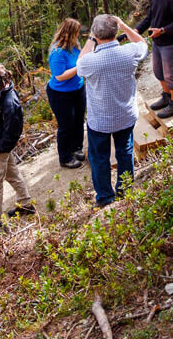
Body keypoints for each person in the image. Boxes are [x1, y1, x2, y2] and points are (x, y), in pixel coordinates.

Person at [77, 14, 148, 206]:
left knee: (99, 158)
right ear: (116, 31)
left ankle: (105, 198)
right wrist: (124, 25)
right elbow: (143, 43)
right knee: (124, 152)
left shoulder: (90, 61)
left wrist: (91, 39)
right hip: (125, 114)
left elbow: (79, 64)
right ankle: (125, 192)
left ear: (95, 34)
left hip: (99, 120)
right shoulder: (131, 52)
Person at [0, 63, 36, 218]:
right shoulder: (0, 93)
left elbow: (13, 129)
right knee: (13, 175)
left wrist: (0, 148)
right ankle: (26, 205)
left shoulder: (9, 100)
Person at [46, 18, 86, 169]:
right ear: (69, 33)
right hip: (60, 94)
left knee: (78, 120)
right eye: (76, 33)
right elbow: (60, 76)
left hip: (78, 89)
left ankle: (77, 148)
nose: (78, 35)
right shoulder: (57, 52)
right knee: (66, 125)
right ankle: (65, 157)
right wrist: (79, 67)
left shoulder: (75, 46)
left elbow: (82, 56)